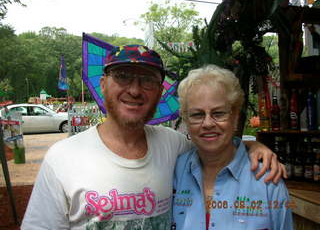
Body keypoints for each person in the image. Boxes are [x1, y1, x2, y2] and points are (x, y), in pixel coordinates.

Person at [21, 45, 284, 229]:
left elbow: (215, 143)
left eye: (147, 81)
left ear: (159, 92)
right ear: (103, 85)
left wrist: (252, 145)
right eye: (123, 76)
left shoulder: (173, 145)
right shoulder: (63, 157)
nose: (134, 90)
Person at [172, 65, 293, 230]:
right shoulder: (175, 171)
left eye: (218, 113)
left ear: (235, 117)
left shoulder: (267, 181)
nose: (207, 123)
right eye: (197, 114)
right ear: (186, 120)